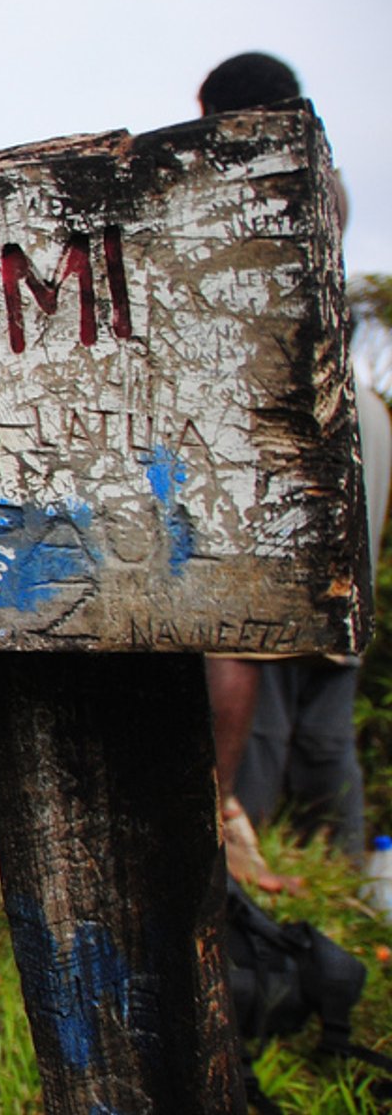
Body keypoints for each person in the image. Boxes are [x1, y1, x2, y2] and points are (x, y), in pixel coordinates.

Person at [199, 51, 385, 874]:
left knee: (253, 650)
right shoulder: (327, 178)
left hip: (289, 431)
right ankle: (339, 879)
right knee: (326, 693)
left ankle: (238, 840)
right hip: (350, 421)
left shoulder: (258, 173)